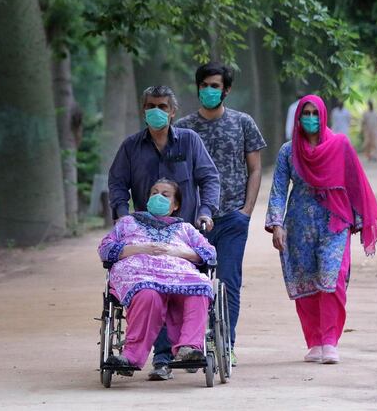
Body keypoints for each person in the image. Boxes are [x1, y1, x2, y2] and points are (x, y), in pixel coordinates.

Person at [108, 84, 220, 380]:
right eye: (150, 106)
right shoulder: (131, 147)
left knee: (189, 286)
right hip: (142, 234)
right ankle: (157, 357)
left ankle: (182, 349)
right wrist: (123, 219)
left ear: (172, 111)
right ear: (143, 110)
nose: (155, 111)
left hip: (181, 233)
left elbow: (209, 178)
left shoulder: (189, 142)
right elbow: (118, 184)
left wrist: (205, 212)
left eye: (162, 106)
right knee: (150, 289)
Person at [265, 95, 377, 364]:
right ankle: (314, 341)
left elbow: (354, 182)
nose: (310, 119)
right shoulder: (288, 151)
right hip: (299, 225)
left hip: (334, 222)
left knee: (333, 278)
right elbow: (279, 189)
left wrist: (358, 219)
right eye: (305, 114)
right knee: (305, 281)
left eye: (314, 113)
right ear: (298, 118)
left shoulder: (340, 145)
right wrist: (276, 225)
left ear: (323, 115)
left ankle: (331, 341)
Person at [175, 62, 266, 361]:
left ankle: (225, 345)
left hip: (231, 217)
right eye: (204, 85)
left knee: (228, 283)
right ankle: (190, 347)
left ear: (226, 90)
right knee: (187, 284)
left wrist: (246, 211)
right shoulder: (184, 128)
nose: (209, 90)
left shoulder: (243, 123)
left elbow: (255, 169)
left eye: (215, 86)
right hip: (191, 222)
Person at [99, 179, 217, 373]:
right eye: (154, 192)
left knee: (200, 288)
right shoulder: (128, 223)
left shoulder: (185, 229)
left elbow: (209, 253)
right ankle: (131, 356)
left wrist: (177, 251)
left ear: (176, 204)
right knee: (148, 294)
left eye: (165, 194)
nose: (158, 197)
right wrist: (140, 248)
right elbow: (105, 249)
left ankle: (189, 348)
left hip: (179, 275)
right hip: (140, 276)